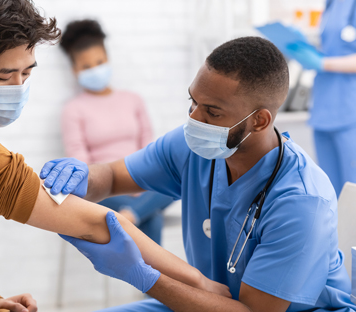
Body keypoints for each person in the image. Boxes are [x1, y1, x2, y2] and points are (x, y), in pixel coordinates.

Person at [0, 1, 230, 311]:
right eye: (5, 77)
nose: (19, 88)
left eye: (26, 73)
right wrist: (199, 282)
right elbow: (98, 223)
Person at [42, 37, 356, 311]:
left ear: (260, 120)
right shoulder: (192, 147)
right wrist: (84, 178)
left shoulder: (302, 201)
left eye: (212, 111)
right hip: (208, 302)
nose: (194, 118)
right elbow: (111, 177)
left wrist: (144, 276)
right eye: (193, 102)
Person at [58, 19, 174, 244]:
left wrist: (139, 182)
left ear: (108, 59)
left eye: (99, 62)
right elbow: (80, 163)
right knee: (153, 218)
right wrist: (116, 185)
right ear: (75, 70)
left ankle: (129, 217)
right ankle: (139, 218)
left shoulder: (133, 100)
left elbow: (148, 149)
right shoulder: (73, 110)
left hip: (141, 180)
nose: (95, 70)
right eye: (86, 66)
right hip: (103, 190)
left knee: (176, 179)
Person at [285, 0, 356, 196]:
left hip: (350, 110)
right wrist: (305, 49)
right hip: (325, 109)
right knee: (331, 192)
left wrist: (322, 63)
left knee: (352, 191)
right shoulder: (332, 4)